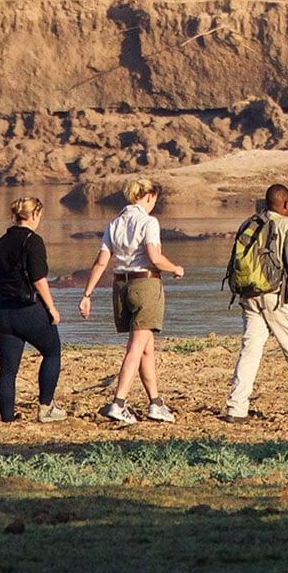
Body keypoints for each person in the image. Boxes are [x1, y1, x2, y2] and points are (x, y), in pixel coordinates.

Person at [78, 178, 185, 425]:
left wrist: (87, 295)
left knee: (146, 347)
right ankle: (119, 402)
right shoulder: (149, 222)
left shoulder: (114, 224)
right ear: (148, 196)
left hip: (121, 286)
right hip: (145, 285)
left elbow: (101, 262)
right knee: (136, 347)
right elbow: (154, 257)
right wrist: (175, 268)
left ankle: (156, 403)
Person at [223, 183, 288, 422]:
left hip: (249, 296)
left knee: (249, 350)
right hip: (277, 298)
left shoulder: (248, 223)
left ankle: (236, 408)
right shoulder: (286, 226)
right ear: (284, 204)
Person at [0, 196, 66, 423]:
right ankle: (45, 407)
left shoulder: (0, 243)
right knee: (52, 351)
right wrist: (51, 307)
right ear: (35, 215)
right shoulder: (33, 241)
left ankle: (7, 418)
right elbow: (38, 278)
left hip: (2, 311)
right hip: (27, 309)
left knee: (7, 370)